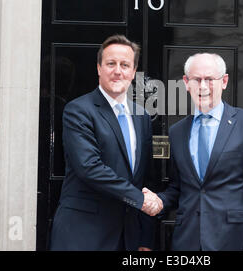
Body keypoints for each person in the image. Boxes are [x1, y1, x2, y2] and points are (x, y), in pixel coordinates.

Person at [148, 53, 243, 251]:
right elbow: (179, 188)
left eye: (209, 79)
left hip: (233, 241)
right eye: (196, 79)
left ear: (224, 81)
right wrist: (159, 201)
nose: (203, 86)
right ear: (186, 83)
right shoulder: (177, 131)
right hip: (187, 242)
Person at [49, 35, 162, 251]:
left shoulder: (142, 116)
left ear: (133, 71)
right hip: (84, 234)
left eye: (125, 65)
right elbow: (89, 167)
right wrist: (141, 199)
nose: (117, 71)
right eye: (111, 63)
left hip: (128, 237)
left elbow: (147, 177)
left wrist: (145, 238)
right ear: (99, 68)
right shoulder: (79, 110)